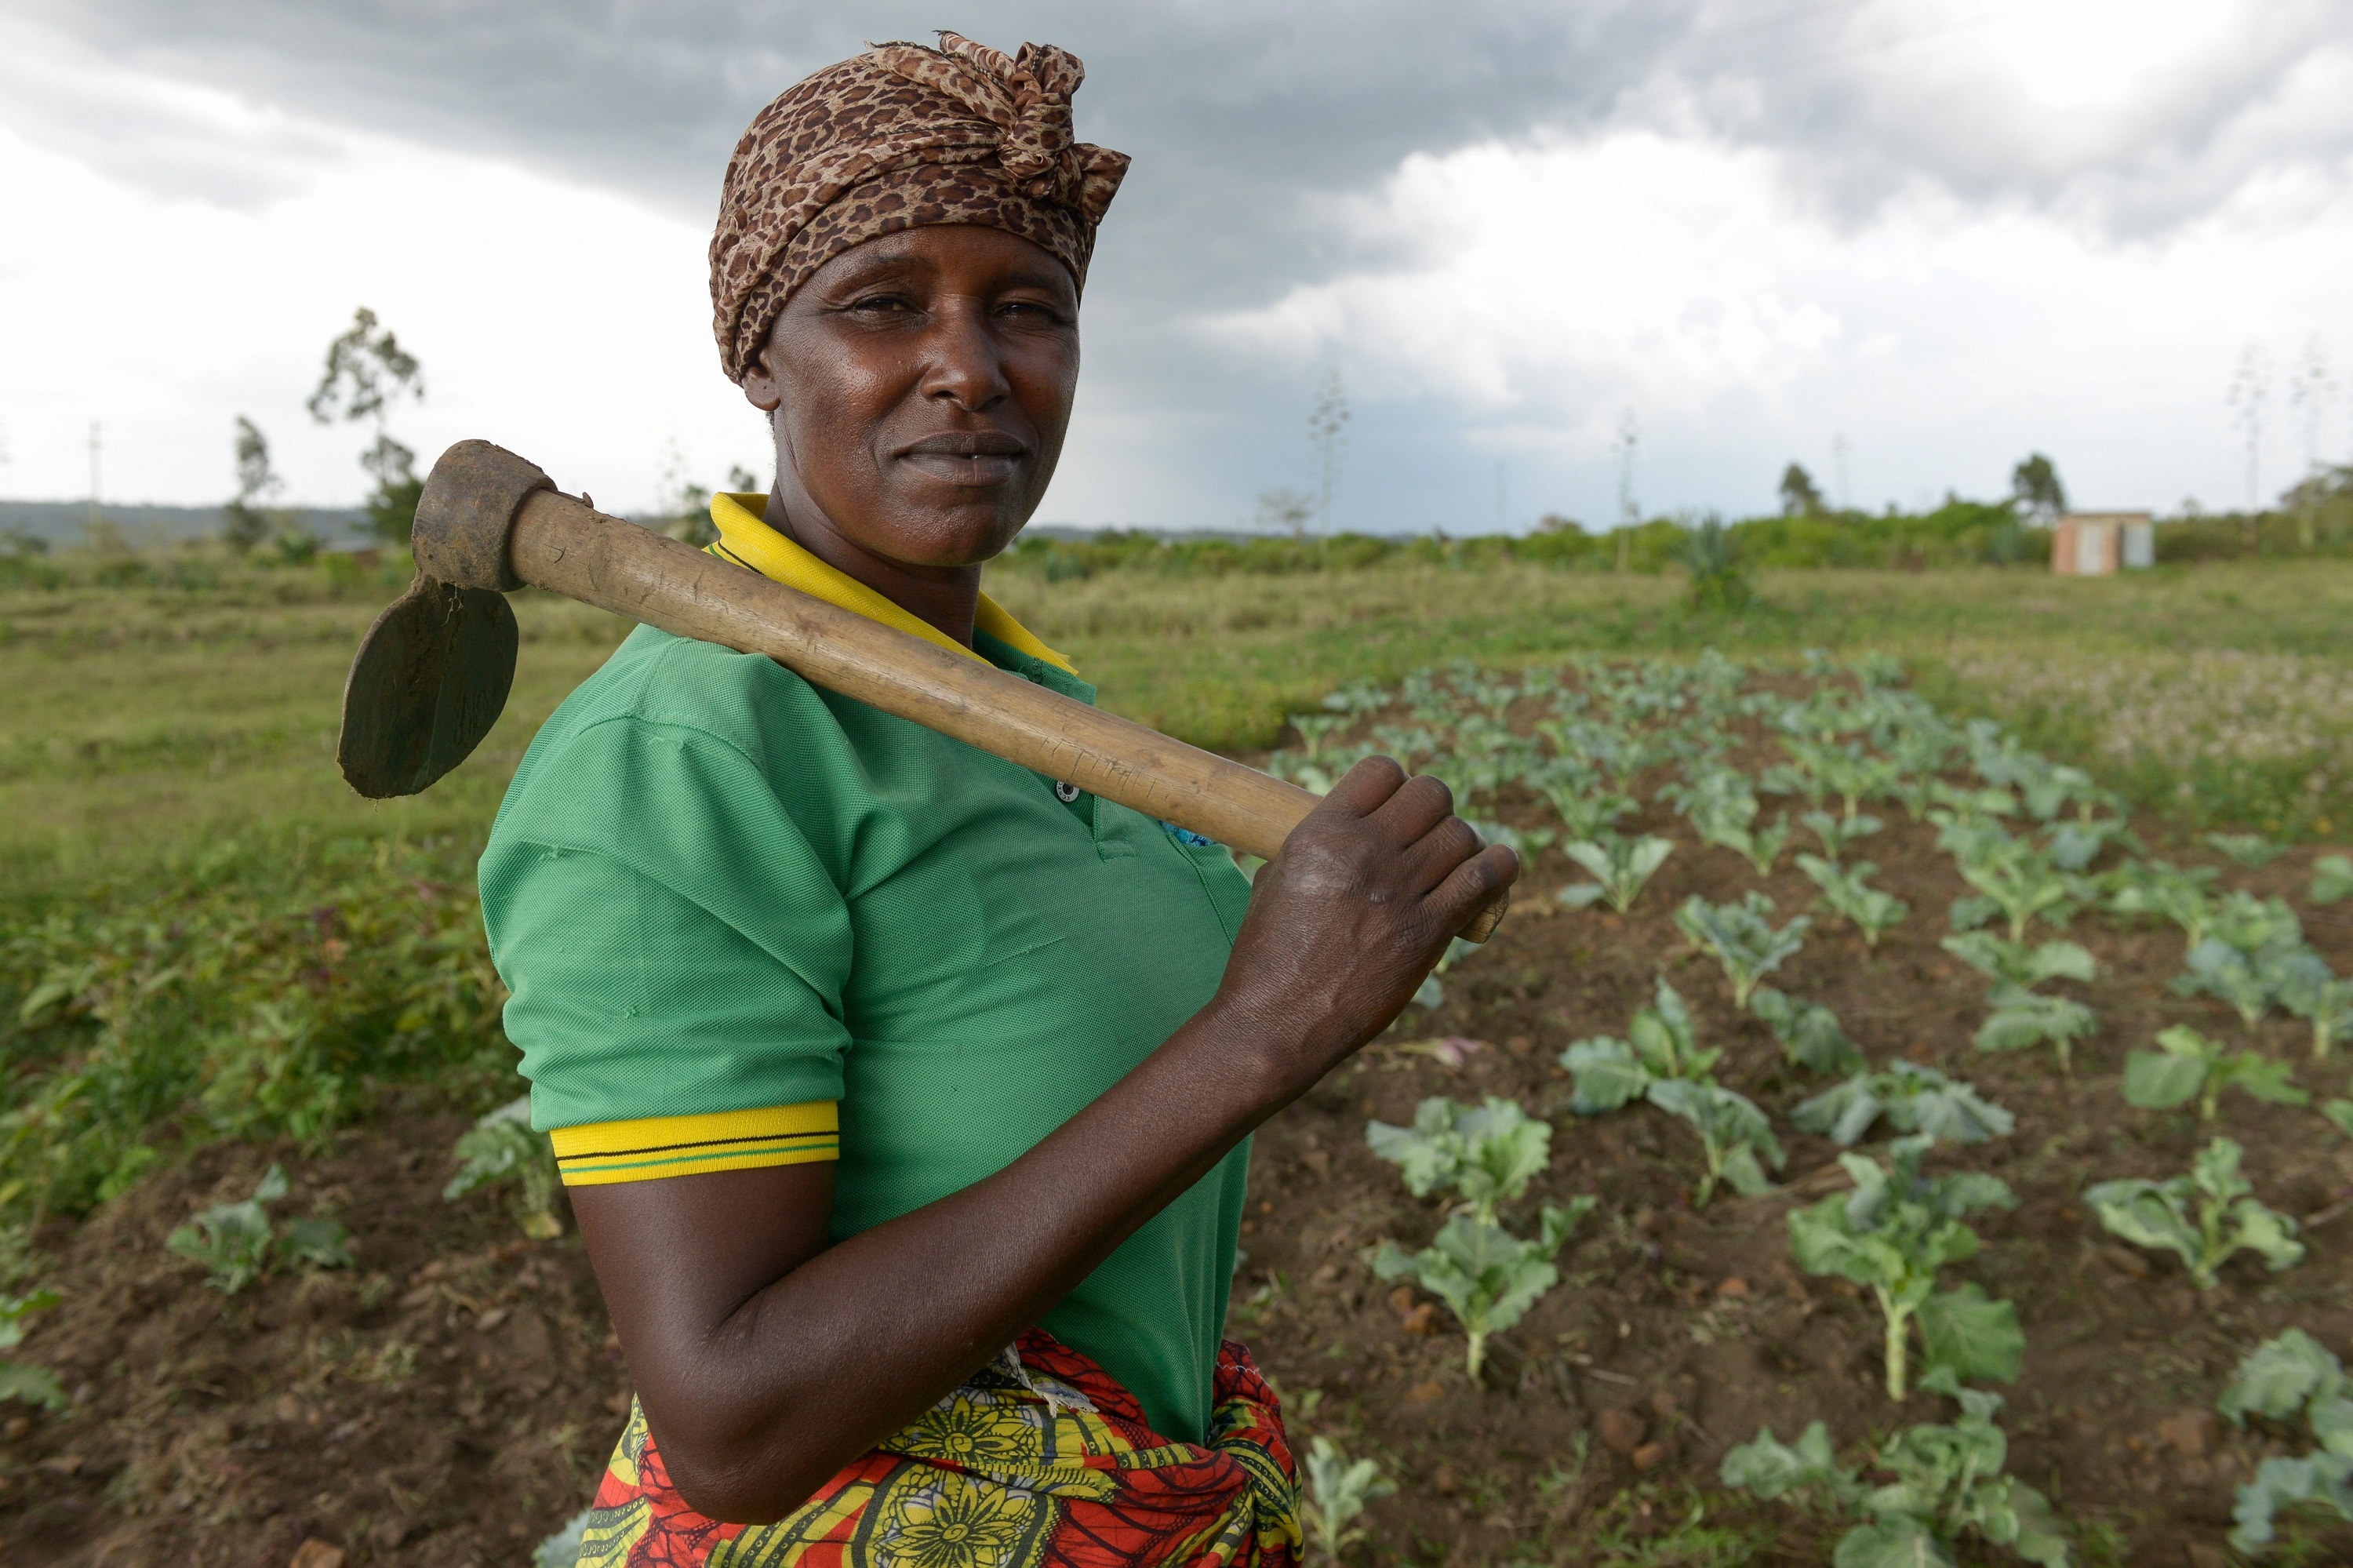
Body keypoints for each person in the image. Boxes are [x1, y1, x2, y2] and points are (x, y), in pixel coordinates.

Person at [478, 32, 1517, 1567]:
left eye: (1028, 308)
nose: (970, 364)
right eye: (886, 302)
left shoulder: (1051, 719)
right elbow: (734, 1421)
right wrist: (1260, 1032)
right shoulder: (681, 762)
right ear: (762, 353)